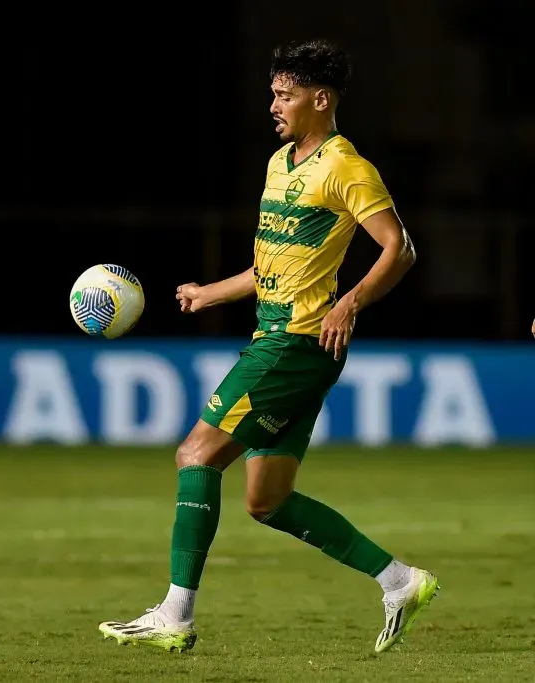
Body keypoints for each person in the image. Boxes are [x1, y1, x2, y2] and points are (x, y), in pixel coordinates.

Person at [98, 38, 437, 655]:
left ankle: (176, 613)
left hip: (294, 344)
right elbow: (270, 265)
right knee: (267, 499)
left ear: (320, 98)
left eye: (285, 94)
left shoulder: (345, 167)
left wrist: (350, 301)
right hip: (288, 342)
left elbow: (400, 248)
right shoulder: (282, 163)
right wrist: (209, 294)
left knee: (196, 454)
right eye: (273, 92)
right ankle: (399, 581)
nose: (273, 104)